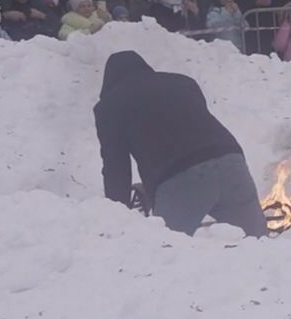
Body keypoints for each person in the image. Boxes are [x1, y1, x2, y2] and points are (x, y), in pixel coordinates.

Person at [95, 50, 268, 237]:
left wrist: (117, 221)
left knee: (167, 248)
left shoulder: (110, 106)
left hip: (180, 179)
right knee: (259, 245)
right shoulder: (183, 82)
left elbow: (116, 169)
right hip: (231, 162)